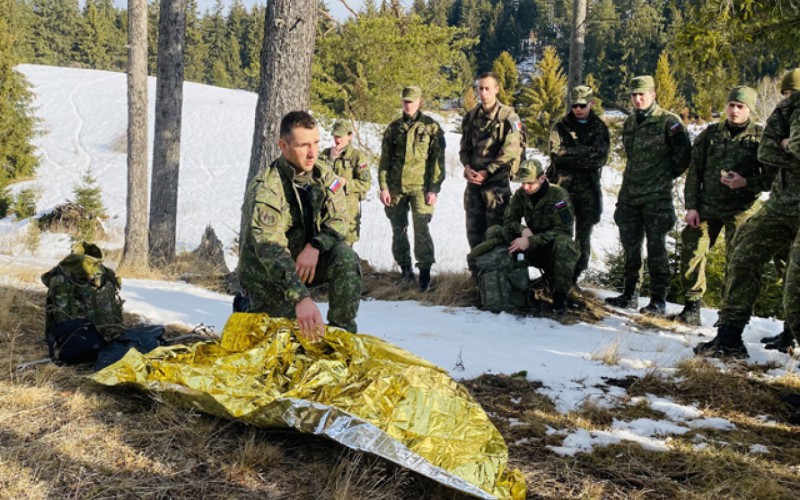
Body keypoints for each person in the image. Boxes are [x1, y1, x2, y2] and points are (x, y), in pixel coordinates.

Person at [695, 69, 800, 358]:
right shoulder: (785, 110)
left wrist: (787, 144)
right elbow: (766, 152)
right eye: (788, 93)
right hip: (781, 206)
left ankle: (791, 337)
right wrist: (789, 147)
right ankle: (729, 337)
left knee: (794, 283)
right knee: (743, 254)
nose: (790, 99)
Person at [238, 111, 361, 340]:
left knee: (346, 258)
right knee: (291, 343)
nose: (312, 152)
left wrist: (315, 246)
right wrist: (301, 298)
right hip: (268, 278)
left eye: (315, 142)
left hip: (303, 264)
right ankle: (251, 307)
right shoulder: (267, 190)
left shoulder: (322, 174)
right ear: (284, 146)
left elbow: (341, 219)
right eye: (304, 145)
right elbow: (271, 251)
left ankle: (342, 335)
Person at [671, 86, 770, 326]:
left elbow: (769, 179)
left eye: (740, 107)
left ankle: (729, 315)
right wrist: (692, 207)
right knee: (692, 250)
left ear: (749, 110)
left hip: (742, 209)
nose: (734, 111)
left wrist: (745, 182)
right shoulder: (710, 134)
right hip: (708, 206)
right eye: (731, 105)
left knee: (738, 261)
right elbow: (695, 172)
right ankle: (693, 305)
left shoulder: (760, 137)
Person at [605, 75, 691, 315]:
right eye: (634, 95)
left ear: (653, 94)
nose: (638, 99)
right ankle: (630, 293)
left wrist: (661, 176)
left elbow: (683, 157)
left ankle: (658, 299)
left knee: (656, 248)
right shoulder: (631, 122)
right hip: (631, 194)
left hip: (656, 196)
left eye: (642, 94)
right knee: (630, 246)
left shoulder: (669, 122)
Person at [487, 159, 579, 315]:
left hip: (551, 249)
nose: (525, 187)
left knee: (565, 244)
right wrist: (523, 230)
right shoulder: (521, 194)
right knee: (496, 231)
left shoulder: (559, 196)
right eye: (522, 183)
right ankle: (499, 285)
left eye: (530, 183)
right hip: (529, 246)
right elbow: (509, 220)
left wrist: (531, 240)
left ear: (542, 178)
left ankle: (559, 297)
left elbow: (563, 231)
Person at [378, 85, 446, 292]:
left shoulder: (431, 127)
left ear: (420, 102)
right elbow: (385, 161)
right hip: (396, 188)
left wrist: (434, 188)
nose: (408, 105)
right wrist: (384, 187)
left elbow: (438, 161)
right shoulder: (393, 128)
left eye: (412, 102)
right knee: (398, 230)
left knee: (422, 229)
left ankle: (424, 275)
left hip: (420, 188)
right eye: (405, 101)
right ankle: (405, 272)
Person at [548, 85, 610, 284]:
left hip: (588, 192)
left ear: (591, 103)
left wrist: (571, 154)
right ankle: (556, 276)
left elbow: (599, 159)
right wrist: (584, 152)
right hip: (561, 190)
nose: (578, 109)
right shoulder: (560, 126)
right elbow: (556, 155)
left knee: (583, 237)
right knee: (559, 233)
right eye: (574, 105)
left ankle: (574, 277)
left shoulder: (599, 128)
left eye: (582, 105)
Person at [460, 72, 524, 251]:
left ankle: (497, 277)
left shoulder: (508, 117)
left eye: (487, 88)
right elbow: (464, 148)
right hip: (474, 185)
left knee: (497, 234)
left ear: (497, 90)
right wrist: (467, 167)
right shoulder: (471, 117)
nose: (483, 92)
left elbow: (510, 150)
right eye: (480, 88)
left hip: (496, 185)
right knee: (474, 233)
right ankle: (477, 275)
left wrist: (487, 171)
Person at [320, 120, 371, 245]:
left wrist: (346, 183)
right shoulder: (326, 154)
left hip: (348, 213)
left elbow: (365, 183)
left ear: (349, 136)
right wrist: (331, 160)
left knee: (346, 252)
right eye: (335, 136)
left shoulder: (357, 156)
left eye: (340, 136)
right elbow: (317, 176)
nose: (337, 140)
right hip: (326, 213)